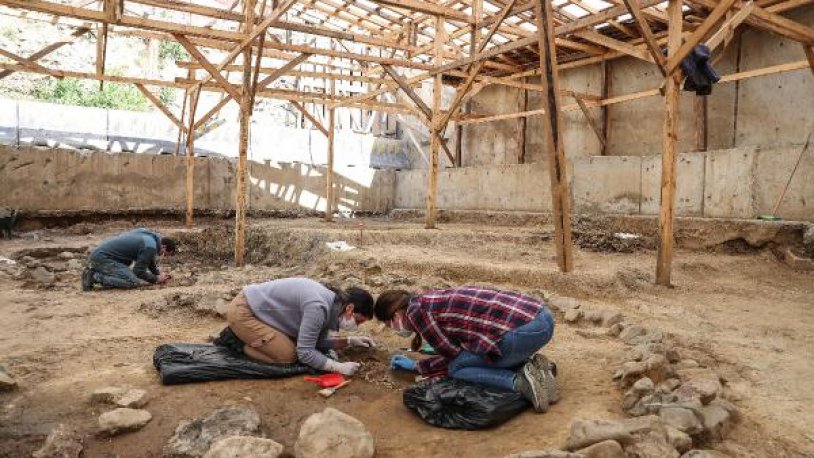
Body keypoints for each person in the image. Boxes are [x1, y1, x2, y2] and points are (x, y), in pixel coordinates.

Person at [375, 286, 559, 413]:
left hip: (525, 331)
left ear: (397, 314)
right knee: (478, 353)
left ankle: (519, 381)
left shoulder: (416, 313)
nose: (393, 328)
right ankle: (536, 368)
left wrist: (418, 366)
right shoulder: (425, 300)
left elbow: (452, 357)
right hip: (543, 318)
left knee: (457, 368)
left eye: (389, 323)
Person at [225, 277, 375, 375]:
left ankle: (253, 337)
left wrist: (349, 341)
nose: (357, 325)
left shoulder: (331, 304)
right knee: (288, 356)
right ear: (349, 308)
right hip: (244, 312)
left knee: (295, 346)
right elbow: (305, 352)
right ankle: (236, 341)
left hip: (262, 314)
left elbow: (317, 342)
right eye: (359, 320)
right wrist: (337, 367)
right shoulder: (318, 307)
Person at [82, 228, 176, 291]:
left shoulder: (150, 238)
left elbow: (148, 260)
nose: (163, 256)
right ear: (164, 247)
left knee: (128, 263)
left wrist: (158, 274)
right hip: (103, 258)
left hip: (101, 255)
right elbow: (138, 271)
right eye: (166, 254)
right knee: (132, 282)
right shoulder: (150, 246)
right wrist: (156, 279)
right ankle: (94, 276)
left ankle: (96, 271)